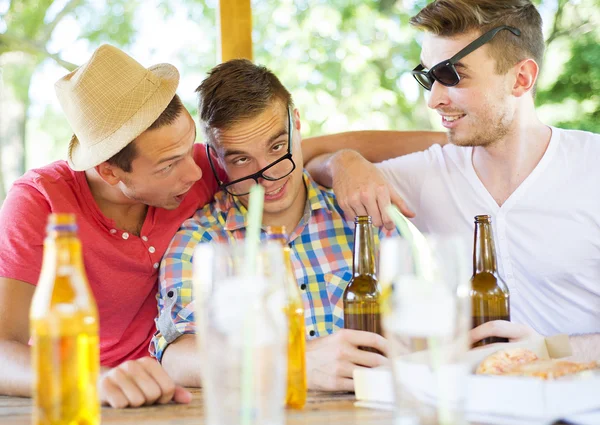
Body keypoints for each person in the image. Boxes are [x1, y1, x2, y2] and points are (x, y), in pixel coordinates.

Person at [0, 44, 442, 404]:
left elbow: (299, 152)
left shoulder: (215, 164)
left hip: (201, 393)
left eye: (190, 148)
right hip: (98, 395)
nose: (195, 175)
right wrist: (87, 382)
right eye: (172, 163)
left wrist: (353, 162)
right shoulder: (40, 203)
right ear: (113, 173)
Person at [306, 0, 600, 360]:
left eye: (452, 76)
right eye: (428, 76)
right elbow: (306, 165)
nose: (433, 100)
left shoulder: (592, 167)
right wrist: (343, 162)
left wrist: (549, 350)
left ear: (521, 78)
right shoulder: (429, 175)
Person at [151, 59, 395, 392]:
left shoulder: (360, 216)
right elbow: (177, 357)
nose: (268, 176)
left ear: (296, 123)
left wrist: (345, 158)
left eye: (277, 147)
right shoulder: (201, 242)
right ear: (216, 159)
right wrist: (294, 361)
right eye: (241, 159)